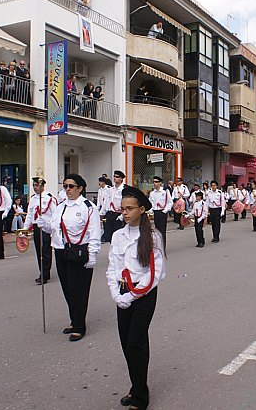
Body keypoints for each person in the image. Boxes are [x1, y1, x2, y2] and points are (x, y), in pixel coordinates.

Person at [106, 186, 165, 410]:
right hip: (122, 293)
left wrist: (132, 295)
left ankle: (141, 395)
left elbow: (154, 274)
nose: (125, 213)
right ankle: (135, 386)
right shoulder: (117, 235)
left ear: (141, 209)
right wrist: (115, 293)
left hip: (143, 294)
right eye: (123, 209)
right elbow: (112, 266)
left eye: (130, 208)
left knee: (136, 342)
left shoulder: (152, 236)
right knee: (126, 343)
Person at [50, 174, 101, 341]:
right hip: (61, 250)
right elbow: (53, 227)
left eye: (71, 186)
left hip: (79, 251)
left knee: (78, 290)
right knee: (67, 288)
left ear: (80, 188)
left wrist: (92, 255)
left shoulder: (89, 207)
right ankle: (74, 320)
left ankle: (79, 326)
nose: (67, 189)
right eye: (65, 186)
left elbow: (94, 232)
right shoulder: (61, 206)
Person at [23, 177, 57, 285]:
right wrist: (24, 228)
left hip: (46, 227)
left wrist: (53, 229)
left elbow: (55, 214)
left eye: (37, 185)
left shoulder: (49, 198)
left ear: (43, 186)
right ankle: (42, 270)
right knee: (39, 250)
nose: (35, 188)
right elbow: (29, 215)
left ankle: (45, 274)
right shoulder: (33, 199)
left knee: (45, 250)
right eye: (34, 185)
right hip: (37, 227)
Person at [100, 171, 126, 243]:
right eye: (114, 176)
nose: (115, 178)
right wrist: (102, 213)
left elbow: (126, 204)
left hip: (118, 215)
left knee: (119, 236)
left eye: (117, 177)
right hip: (110, 214)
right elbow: (106, 202)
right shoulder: (110, 190)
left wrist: (122, 216)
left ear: (121, 179)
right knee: (110, 236)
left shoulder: (124, 189)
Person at [149, 176, 172, 247]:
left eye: (156, 182)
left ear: (160, 183)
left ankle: (163, 247)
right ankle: (158, 246)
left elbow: (170, 202)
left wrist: (165, 211)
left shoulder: (165, 191)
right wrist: (150, 211)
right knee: (157, 231)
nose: (154, 183)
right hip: (155, 212)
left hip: (162, 212)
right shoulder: (152, 193)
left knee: (162, 231)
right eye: (153, 182)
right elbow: (151, 203)